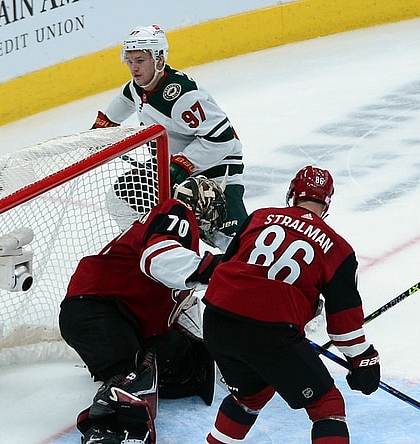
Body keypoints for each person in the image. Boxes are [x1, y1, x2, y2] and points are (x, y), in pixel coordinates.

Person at [202, 166, 381, 443]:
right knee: (327, 406)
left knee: (251, 395)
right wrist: (363, 360)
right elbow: (344, 328)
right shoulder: (338, 248)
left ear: (292, 194)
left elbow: (228, 264)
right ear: (327, 202)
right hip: (271, 331)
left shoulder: (259, 217)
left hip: (217, 318)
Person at [59, 176, 227, 444]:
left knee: (173, 362)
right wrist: (219, 270)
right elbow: (157, 259)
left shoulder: (180, 239)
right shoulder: (177, 212)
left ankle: (118, 402)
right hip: (99, 309)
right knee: (138, 377)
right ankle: (108, 430)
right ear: (202, 205)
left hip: (104, 315)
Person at [92, 24, 247, 250]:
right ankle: (151, 250)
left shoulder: (182, 96)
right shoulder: (137, 87)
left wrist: (183, 163)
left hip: (215, 172)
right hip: (171, 169)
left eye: (140, 60)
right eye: (130, 60)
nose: (134, 68)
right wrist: (100, 132)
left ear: (159, 59)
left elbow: (222, 140)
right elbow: (125, 100)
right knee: (121, 199)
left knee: (234, 245)